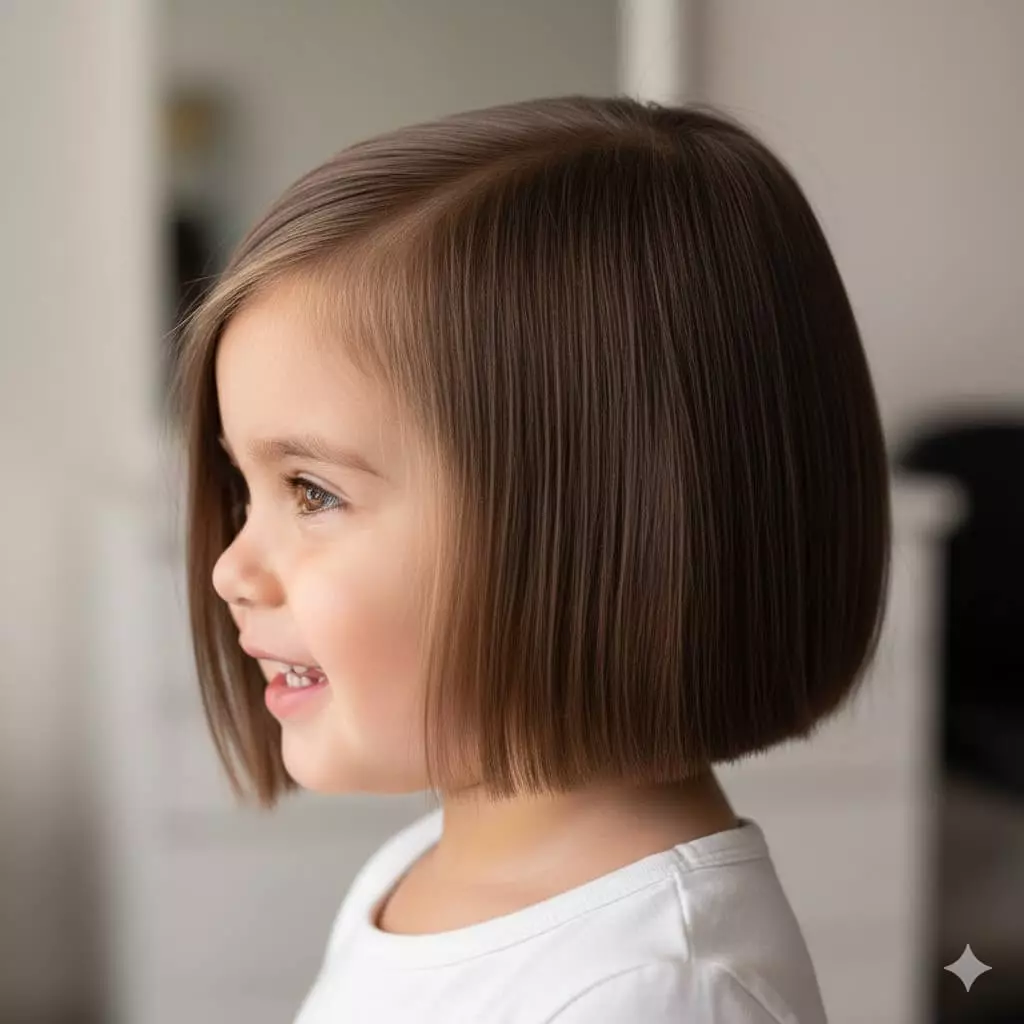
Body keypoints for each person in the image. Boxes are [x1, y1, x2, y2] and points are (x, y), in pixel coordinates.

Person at [170, 94, 890, 1022]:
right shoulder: (422, 869)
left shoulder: (654, 996)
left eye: (312, 492)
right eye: (245, 487)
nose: (232, 569)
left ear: (601, 518)